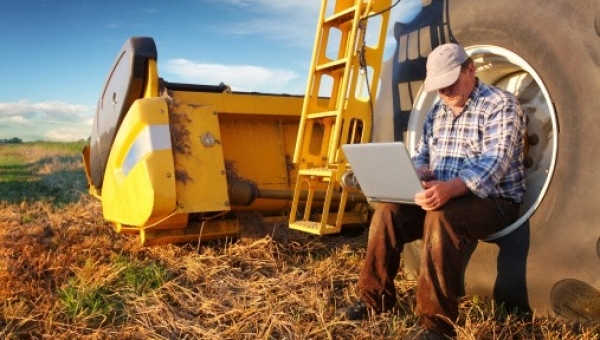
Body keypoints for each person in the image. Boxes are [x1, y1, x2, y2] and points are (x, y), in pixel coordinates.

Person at [336, 43, 526, 339]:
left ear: (471, 70)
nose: (445, 92)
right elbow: (423, 153)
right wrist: (417, 171)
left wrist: (450, 188)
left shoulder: (501, 104)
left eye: (450, 83)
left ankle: (436, 325)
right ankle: (374, 300)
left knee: (440, 217)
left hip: (494, 200)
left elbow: (495, 162)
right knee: (388, 212)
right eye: (438, 87)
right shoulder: (437, 110)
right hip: (445, 194)